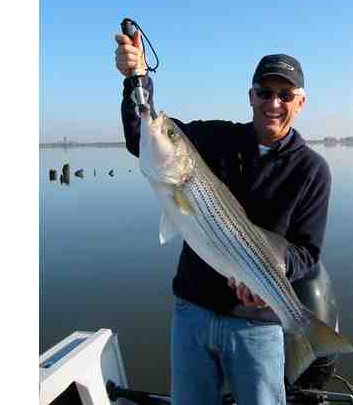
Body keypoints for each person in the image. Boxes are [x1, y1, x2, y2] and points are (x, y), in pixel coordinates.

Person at [115, 30, 332, 405]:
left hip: (258, 325)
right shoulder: (215, 138)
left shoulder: (312, 170)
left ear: (301, 102)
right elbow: (143, 135)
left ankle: (304, 334)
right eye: (264, 92)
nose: (274, 102)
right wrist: (137, 78)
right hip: (192, 312)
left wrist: (270, 273)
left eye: (285, 94)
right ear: (250, 97)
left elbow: (306, 253)